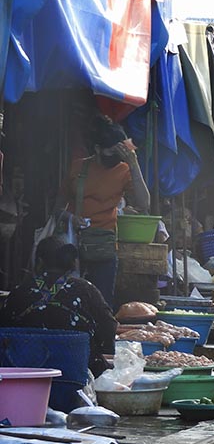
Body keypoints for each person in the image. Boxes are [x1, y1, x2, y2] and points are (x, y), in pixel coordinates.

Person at [55, 117, 150, 308]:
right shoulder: (78, 167)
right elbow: (56, 210)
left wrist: (134, 164)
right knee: (68, 301)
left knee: (101, 303)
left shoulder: (124, 170)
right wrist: (71, 218)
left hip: (104, 248)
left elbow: (144, 203)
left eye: (120, 152)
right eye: (112, 152)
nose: (116, 156)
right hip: (72, 246)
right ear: (98, 149)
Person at [1, 236, 116, 377]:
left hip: (28, 376)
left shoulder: (20, 292)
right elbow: (108, 326)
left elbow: (4, 330)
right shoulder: (86, 289)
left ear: (39, 261)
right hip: (78, 376)